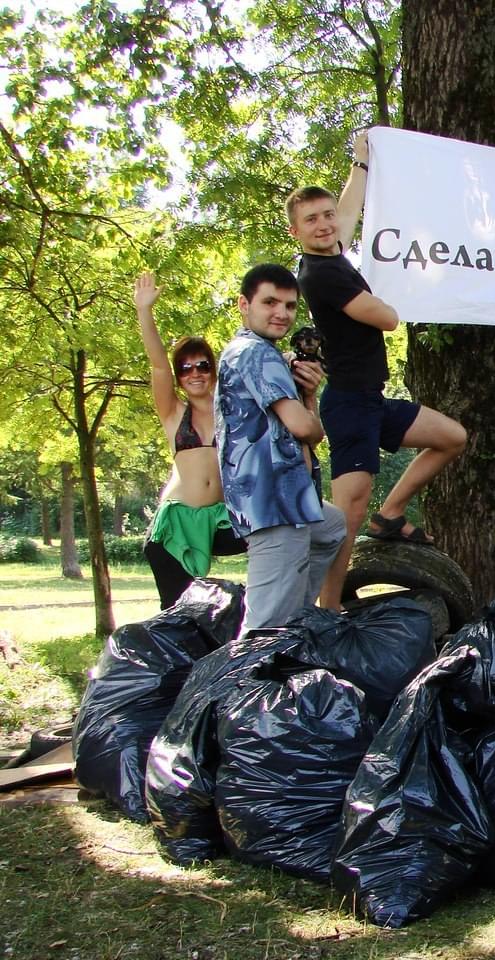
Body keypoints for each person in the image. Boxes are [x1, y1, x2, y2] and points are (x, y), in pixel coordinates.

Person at [287, 130, 467, 609]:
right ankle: (327, 608)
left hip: (373, 399)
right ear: (296, 231)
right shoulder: (320, 274)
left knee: (452, 436)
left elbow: (348, 210)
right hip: (347, 405)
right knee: (348, 512)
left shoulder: (333, 253)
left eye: (326, 216)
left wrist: (361, 162)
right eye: (313, 220)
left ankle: (390, 514)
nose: (326, 225)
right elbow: (386, 318)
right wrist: (394, 293)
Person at [215, 264, 347, 635]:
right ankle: (244, 683)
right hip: (274, 503)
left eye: (290, 306)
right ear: (244, 304)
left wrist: (305, 393)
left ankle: (294, 621)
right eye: (270, 302)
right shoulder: (257, 354)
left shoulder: (253, 352)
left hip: (284, 496)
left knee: (333, 526)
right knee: (263, 629)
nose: (281, 313)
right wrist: (310, 398)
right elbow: (306, 428)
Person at [133, 273, 247, 609]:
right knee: (177, 611)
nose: (194, 373)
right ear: (180, 377)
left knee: (278, 534)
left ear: (213, 370)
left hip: (224, 519)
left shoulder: (232, 413)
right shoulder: (173, 413)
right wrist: (144, 312)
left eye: (202, 365)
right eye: (185, 369)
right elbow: (157, 368)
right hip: (179, 524)